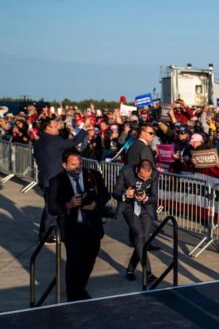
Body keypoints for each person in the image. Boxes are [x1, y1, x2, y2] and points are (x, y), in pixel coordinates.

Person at [47, 148, 108, 301]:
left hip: (92, 226)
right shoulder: (56, 181)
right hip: (72, 228)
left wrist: (95, 204)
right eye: (73, 164)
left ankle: (80, 289)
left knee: (89, 260)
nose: (78, 167)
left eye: (80, 163)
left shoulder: (93, 175)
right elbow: (52, 207)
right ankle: (73, 296)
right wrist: (69, 204)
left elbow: (105, 195)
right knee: (74, 262)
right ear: (65, 165)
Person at [33, 118, 88, 243]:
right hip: (53, 180)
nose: (58, 127)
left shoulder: (39, 140)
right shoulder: (54, 140)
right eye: (55, 125)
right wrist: (84, 129)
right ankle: (44, 235)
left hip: (45, 177)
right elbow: (75, 141)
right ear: (48, 128)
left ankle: (57, 232)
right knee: (51, 208)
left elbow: (37, 158)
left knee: (57, 207)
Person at [113, 159, 158, 282]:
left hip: (145, 208)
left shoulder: (154, 174)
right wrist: (125, 194)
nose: (144, 180)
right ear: (138, 170)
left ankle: (130, 269)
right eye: (142, 177)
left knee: (144, 240)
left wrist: (145, 197)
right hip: (129, 207)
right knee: (139, 235)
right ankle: (148, 273)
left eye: (146, 178)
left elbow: (154, 196)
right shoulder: (126, 172)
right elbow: (115, 192)